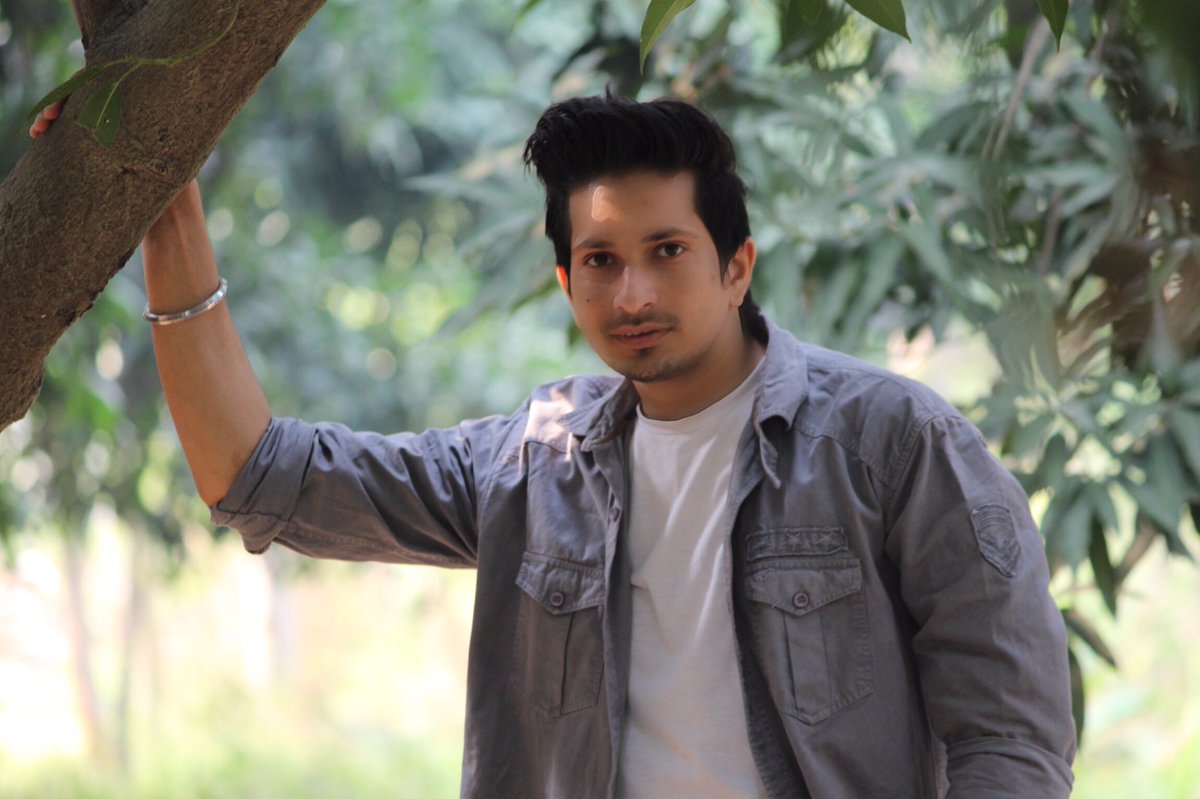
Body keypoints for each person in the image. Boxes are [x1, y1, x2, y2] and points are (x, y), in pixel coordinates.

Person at [32, 93, 1076, 797]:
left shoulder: (894, 443)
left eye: (667, 250)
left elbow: (1010, 736)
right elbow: (261, 476)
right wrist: (166, 218)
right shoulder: (536, 465)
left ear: (736, 266)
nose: (633, 292)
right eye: (601, 260)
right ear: (567, 281)